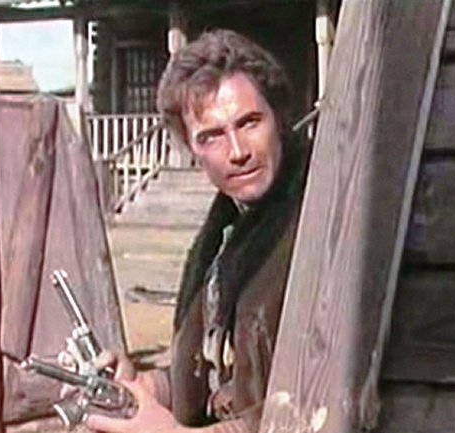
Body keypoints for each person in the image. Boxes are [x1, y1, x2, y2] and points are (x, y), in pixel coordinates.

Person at [86, 29, 309, 433]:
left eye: (250, 122)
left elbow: (309, 403)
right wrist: (142, 386)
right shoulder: (224, 236)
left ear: (278, 118)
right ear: (192, 150)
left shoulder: (316, 220)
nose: (238, 151)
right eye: (212, 136)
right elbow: (216, 371)